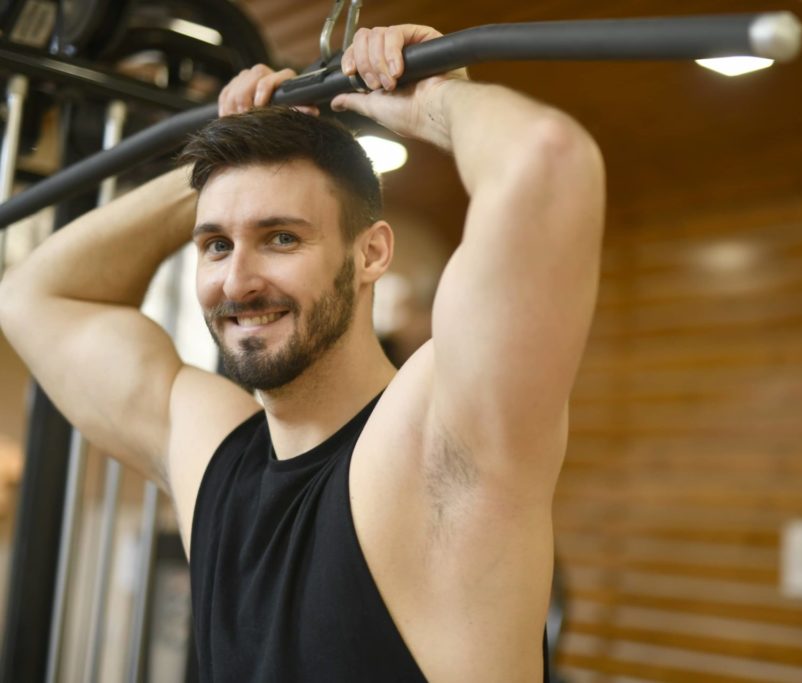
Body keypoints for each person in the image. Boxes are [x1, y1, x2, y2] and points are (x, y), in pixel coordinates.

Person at [0, 23, 604, 682]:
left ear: (371, 252)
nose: (236, 280)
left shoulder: (435, 438)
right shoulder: (213, 453)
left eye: (281, 237)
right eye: (215, 244)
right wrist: (221, 160)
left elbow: (548, 160)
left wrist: (427, 103)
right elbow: (33, 296)